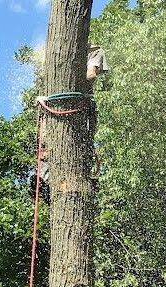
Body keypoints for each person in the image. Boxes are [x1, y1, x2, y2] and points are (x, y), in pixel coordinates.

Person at [37, 45, 109, 200]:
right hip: (53, 107)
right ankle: (46, 180)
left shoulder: (94, 51)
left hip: (82, 107)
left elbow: (91, 75)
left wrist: (71, 82)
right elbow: (44, 78)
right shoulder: (53, 51)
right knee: (46, 145)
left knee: (82, 143)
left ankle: (83, 177)